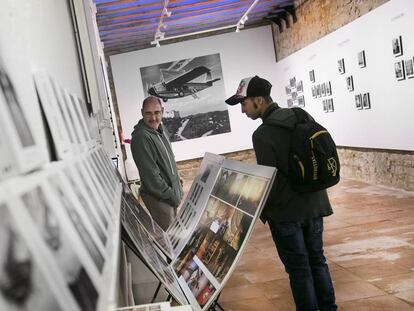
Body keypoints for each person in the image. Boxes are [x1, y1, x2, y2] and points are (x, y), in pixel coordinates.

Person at [225, 76, 337, 311]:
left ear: (259, 100)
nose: (243, 111)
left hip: (287, 214)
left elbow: (270, 181)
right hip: (315, 204)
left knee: (299, 269)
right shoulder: (300, 115)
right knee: (318, 260)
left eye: (244, 104)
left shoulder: (262, 134)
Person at [130, 96, 183, 231]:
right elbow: (151, 178)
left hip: (169, 195)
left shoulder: (161, 129)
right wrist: (173, 196)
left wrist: (177, 180)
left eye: (156, 112)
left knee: (174, 236)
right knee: (169, 241)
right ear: (142, 113)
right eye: (148, 113)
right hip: (160, 199)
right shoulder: (141, 137)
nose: (153, 118)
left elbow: (168, 158)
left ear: (162, 111)